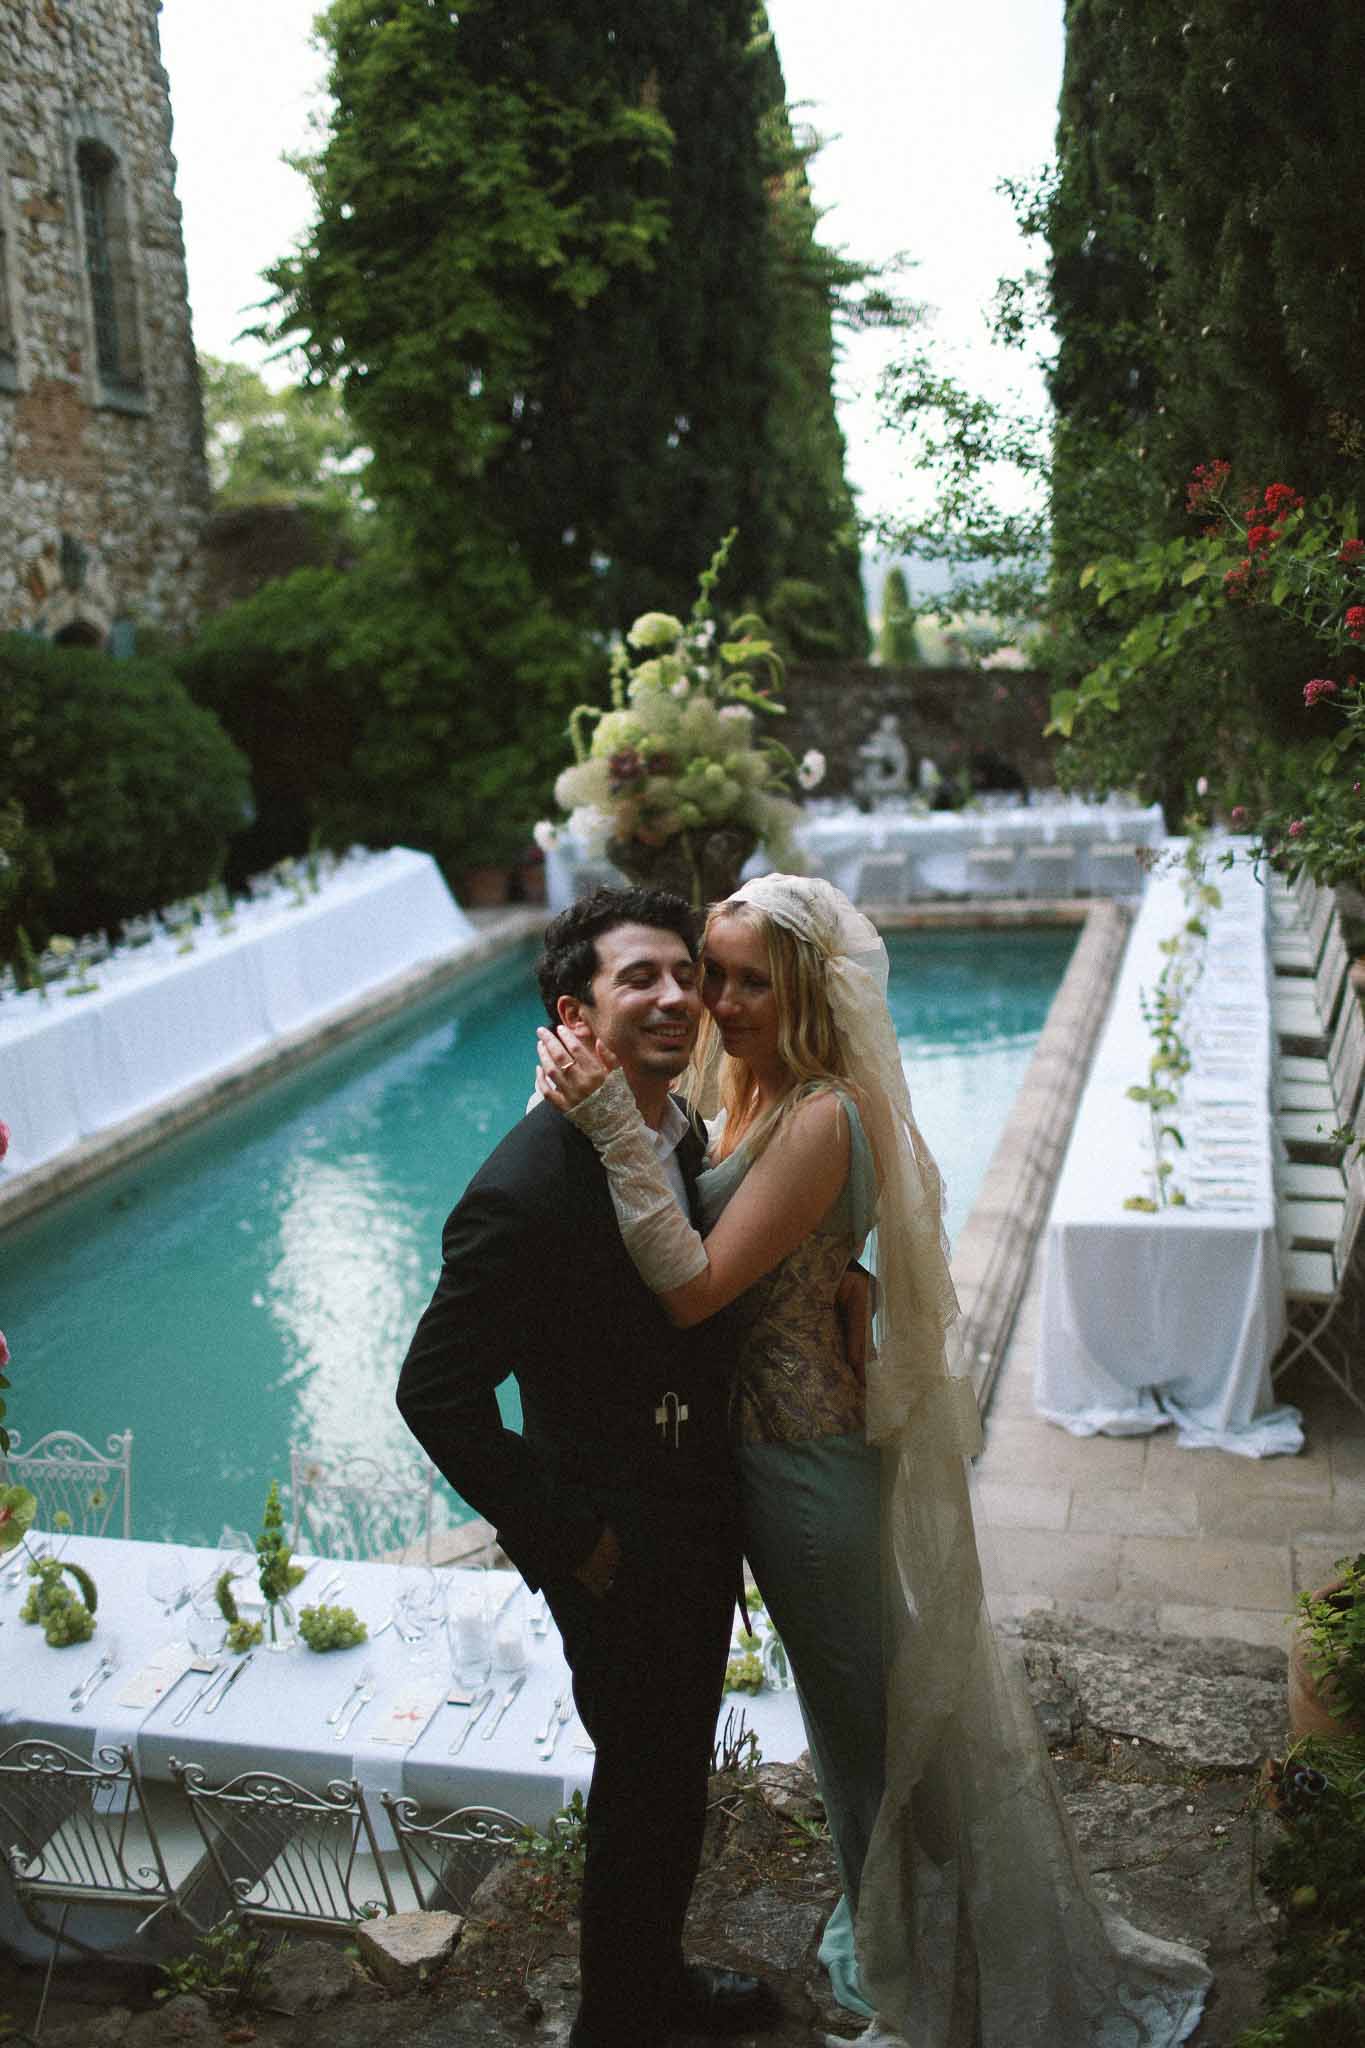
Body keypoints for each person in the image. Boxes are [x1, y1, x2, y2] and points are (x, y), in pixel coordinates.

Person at [534, 872, 1212, 2048]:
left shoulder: (822, 1115)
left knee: (867, 1724)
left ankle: (938, 1972)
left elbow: (695, 1285)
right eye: (715, 972)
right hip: (755, 1454)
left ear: (808, 986)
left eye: (752, 979)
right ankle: (901, 1914)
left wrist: (608, 1128)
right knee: (854, 1715)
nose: (720, 1000)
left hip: (806, 1469)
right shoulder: (742, 1089)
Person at [396, 886, 775, 2048]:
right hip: (617, 1539)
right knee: (643, 1782)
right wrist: (574, 1536)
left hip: (691, 1515)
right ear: (576, 1011)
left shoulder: (669, 1127)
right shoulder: (523, 1186)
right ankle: (621, 2017)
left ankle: (651, 1979)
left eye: (684, 972)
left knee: (668, 1777)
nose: (678, 997)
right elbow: (434, 1392)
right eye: (640, 979)